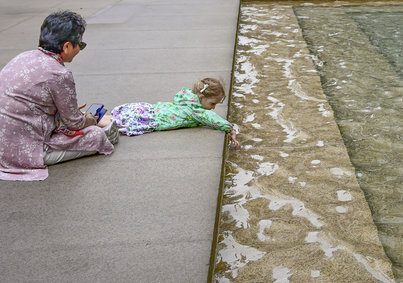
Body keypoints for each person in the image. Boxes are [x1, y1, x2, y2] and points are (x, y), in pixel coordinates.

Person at [0, 11, 119, 181]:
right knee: (97, 135)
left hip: (3, 143)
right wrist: (90, 119)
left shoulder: (22, 57)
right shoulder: (59, 73)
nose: (80, 48)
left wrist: (59, 112)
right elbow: (75, 123)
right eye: (80, 44)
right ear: (67, 47)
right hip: (26, 151)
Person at [110, 78, 239, 148]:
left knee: (115, 118)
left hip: (150, 109)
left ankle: (93, 118)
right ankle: (92, 122)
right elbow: (211, 118)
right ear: (201, 97)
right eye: (212, 104)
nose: (213, 108)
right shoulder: (196, 110)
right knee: (114, 123)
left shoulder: (186, 97)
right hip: (153, 119)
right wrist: (230, 129)